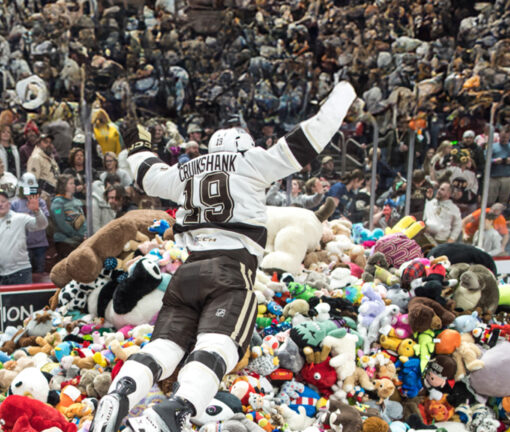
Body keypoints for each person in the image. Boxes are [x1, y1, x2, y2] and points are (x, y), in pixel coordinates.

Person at [89, 81, 356, 432]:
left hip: (189, 270)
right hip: (230, 269)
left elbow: (148, 177)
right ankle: (173, 412)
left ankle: (120, 394)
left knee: (164, 346)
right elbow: (309, 139)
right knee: (220, 346)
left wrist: (137, 146)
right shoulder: (252, 162)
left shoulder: (187, 169)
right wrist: (345, 95)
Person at [0, 188, 48, 286]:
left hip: (20, 272)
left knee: (24, 301)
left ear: (9, 204)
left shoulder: (20, 218)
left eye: (3, 201)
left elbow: (42, 225)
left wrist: (37, 211)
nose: (0, 204)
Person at [11, 173, 51, 275]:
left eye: (32, 189)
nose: (29, 192)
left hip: (40, 244)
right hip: (22, 246)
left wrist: (37, 210)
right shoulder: (15, 204)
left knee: (39, 272)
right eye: (26, 189)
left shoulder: (41, 202)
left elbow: (45, 220)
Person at [51, 174, 87, 259]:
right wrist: (77, 235)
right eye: (71, 183)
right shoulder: (57, 203)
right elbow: (61, 223)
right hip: (65, 242)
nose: (74, 185)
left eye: (74, 183)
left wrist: (85, 233)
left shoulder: (76, 201)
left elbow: (83, 219)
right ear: (63, 186)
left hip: (80, 240)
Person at [488, 126, 510, 205]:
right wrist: (495, 160)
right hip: (493, 177)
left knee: (504, 201)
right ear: (499, 136)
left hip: (507, 177)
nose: (504, 139)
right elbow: (486, 159)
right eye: (502, 137)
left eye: (506, 137)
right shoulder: (492, 146)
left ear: (509, 137)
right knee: (490, 200)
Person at [26, 130, 60, 195]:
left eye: (50, 142)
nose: (48, 144)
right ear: (38, 143)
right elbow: (32, 181)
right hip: (43, 198)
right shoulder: (35, 158)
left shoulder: (50, 157)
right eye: (45, 142)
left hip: (53, 195)